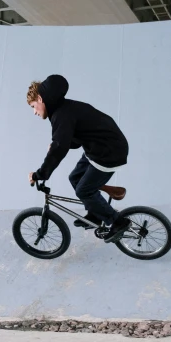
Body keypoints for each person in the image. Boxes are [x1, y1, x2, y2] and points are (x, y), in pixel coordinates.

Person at [27, 75, 131, 243]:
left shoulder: (62, 115)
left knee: (83, 190)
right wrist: (59, 146)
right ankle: (96, 214)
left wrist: (40, 174)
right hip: (98, 148)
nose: (34, 112)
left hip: (109, 153)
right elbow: (74, 137)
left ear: (40, 98)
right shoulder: (65, 109)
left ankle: (118, 222)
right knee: (74, 177)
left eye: (33, 106)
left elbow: (59, 150)